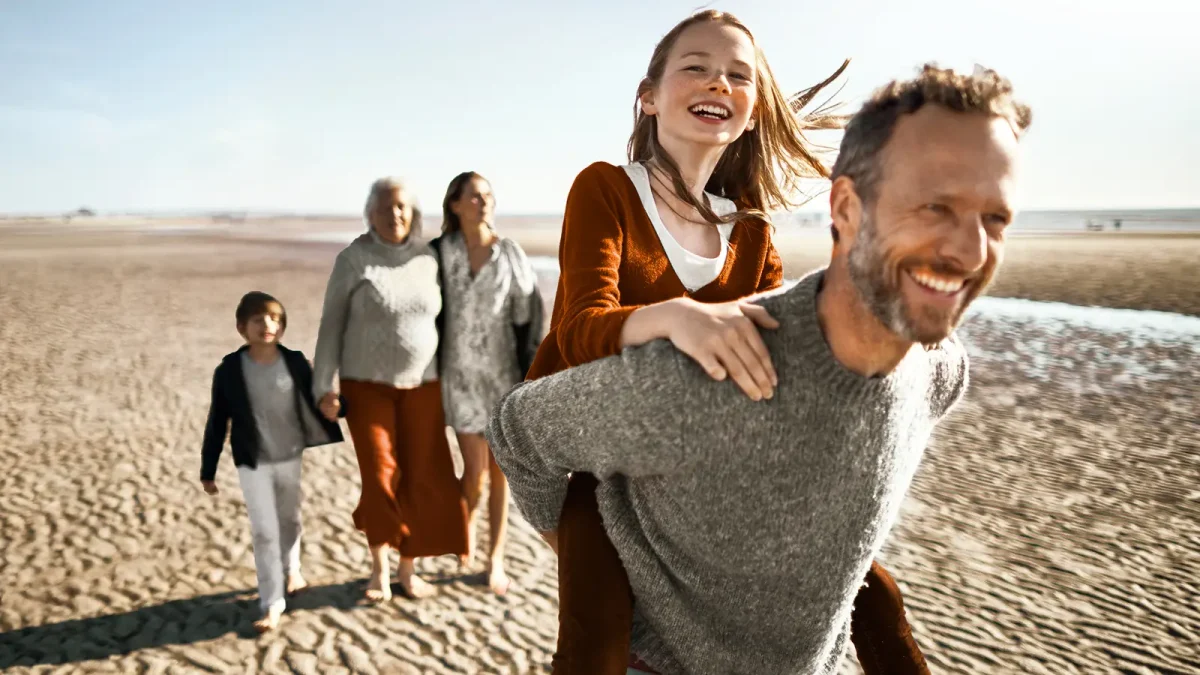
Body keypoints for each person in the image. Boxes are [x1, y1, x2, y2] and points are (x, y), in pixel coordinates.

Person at [489, 63, 1031, 673]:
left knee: (880, 604)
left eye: (996, 219)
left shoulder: (937, 372)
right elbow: (521, 426)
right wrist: (565, 544)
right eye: (935, 206)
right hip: (654, 636)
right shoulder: (694, 378)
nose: (970, 251)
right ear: (847, 209)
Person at [519, 9, 922, 674]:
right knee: (597, 640)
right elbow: (579, 334)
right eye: (697, 67)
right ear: (649, 97)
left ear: (753, 107)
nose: (718, 82)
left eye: (738, 75)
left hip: (711, 457)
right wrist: (678, 316)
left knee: (872, 594)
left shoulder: (755, 232)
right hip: (596, 457)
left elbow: (777, 364)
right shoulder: (607, 189)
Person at [312, 177, 469, 602]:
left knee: (421, 476)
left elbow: (452, 322)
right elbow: (331, 327)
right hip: (367, 387)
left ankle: (407, 567)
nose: (394, 214)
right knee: (381, 475)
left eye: (401, 206)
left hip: (425, 385)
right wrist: (322, 387)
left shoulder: (428, 258)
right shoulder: (353, 259)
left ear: (413, 213)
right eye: (385, 207)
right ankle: (379, 570)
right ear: (370, 213)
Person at [199, 291, 345, 632]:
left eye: (275, 319)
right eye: (258, 319)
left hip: (289, 456)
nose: (267, 325)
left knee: (290, 519)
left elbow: (325, 401)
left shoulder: (295, 362)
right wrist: (208, 469)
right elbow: (217, 421)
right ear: (242, 327)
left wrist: (340, 407)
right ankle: (271, 603)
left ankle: (292, 569)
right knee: (265, 532)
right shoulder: (229, 370)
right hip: (252, 461)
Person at [429, 171, 544, 596]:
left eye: (488, 196)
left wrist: (530, 377)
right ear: (455, 204)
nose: (483, 203)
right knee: (472, 472)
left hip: (501, 379)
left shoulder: (510, 254)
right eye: (474, 197)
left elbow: (528, 317)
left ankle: (494, 560)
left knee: (499, 475)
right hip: (457, 379)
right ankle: (466, 534)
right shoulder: (440, 253)